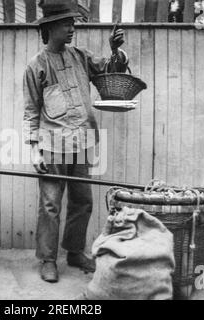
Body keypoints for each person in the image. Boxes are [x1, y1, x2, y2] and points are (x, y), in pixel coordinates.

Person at [23, 1, 129, 283]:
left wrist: (115, 50)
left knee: (82, 201)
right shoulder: (36, 66)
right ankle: (47, 259)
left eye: (73, 23)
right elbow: (31, 111)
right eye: (65, 23)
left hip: (82, 143)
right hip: (53, 146)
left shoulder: (81, 56)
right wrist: (34, 150)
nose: (72, 28)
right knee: (50, 206)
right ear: (49, 27)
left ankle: (73, 252)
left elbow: (109, 71)